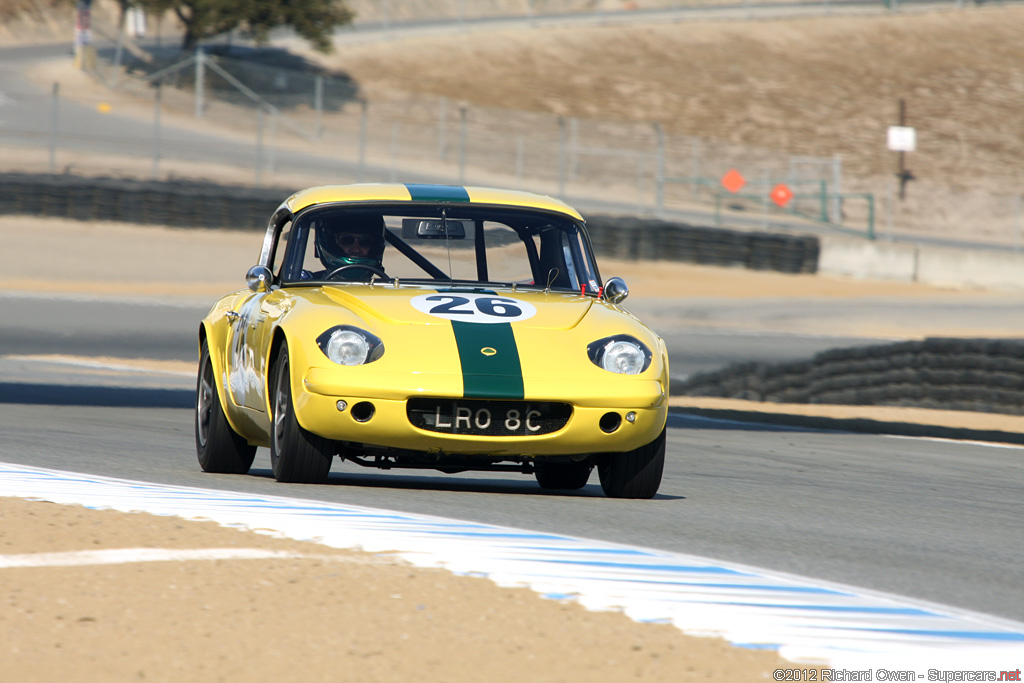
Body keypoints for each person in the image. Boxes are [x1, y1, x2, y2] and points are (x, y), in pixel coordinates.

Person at [308, 213, 387, 282]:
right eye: (347, 240)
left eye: (365, 241)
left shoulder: (389, 294)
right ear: (331, 242)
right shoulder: (306, 289)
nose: (356, 250)